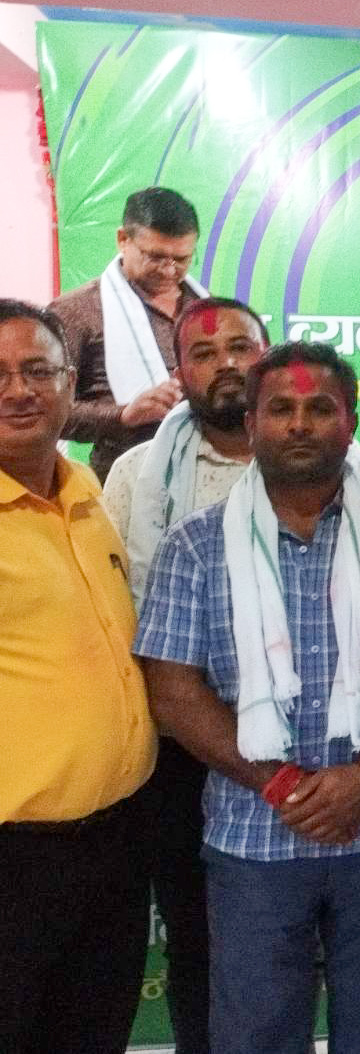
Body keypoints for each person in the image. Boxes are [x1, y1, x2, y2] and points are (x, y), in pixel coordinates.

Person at [134, 342, 360, 1054]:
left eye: (320, 408)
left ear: (351, 423)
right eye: (280, 409)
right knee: (256, 1034)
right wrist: (279, 783)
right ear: (250, 423)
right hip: (254, 838)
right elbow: (172, 687)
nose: (299, 424)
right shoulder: (195, 546)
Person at [99, 295, 269, 1054]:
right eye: (203, 353)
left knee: (289, 939)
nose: (225, 364)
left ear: (268, 357)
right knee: (196, 939)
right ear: (179, 372)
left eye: (241, 347)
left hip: (301, 747)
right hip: (178, 754)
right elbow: (118, 618)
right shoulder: (137, 475)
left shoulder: (325, 459)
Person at [0, 298, 158, 1054]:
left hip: (114, 844)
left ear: (71, 385)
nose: (18, 391)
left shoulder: (90, 493)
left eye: (38, 370)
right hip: (14, 860)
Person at [50, 186, 206, 479]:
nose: (169, 270)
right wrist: (122, 415)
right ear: (123, 239)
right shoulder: (76, 312)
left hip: (210, 473)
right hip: (122, 479)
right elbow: (46, 411)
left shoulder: (210, 310)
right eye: (156, 257)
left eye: (182, 259)